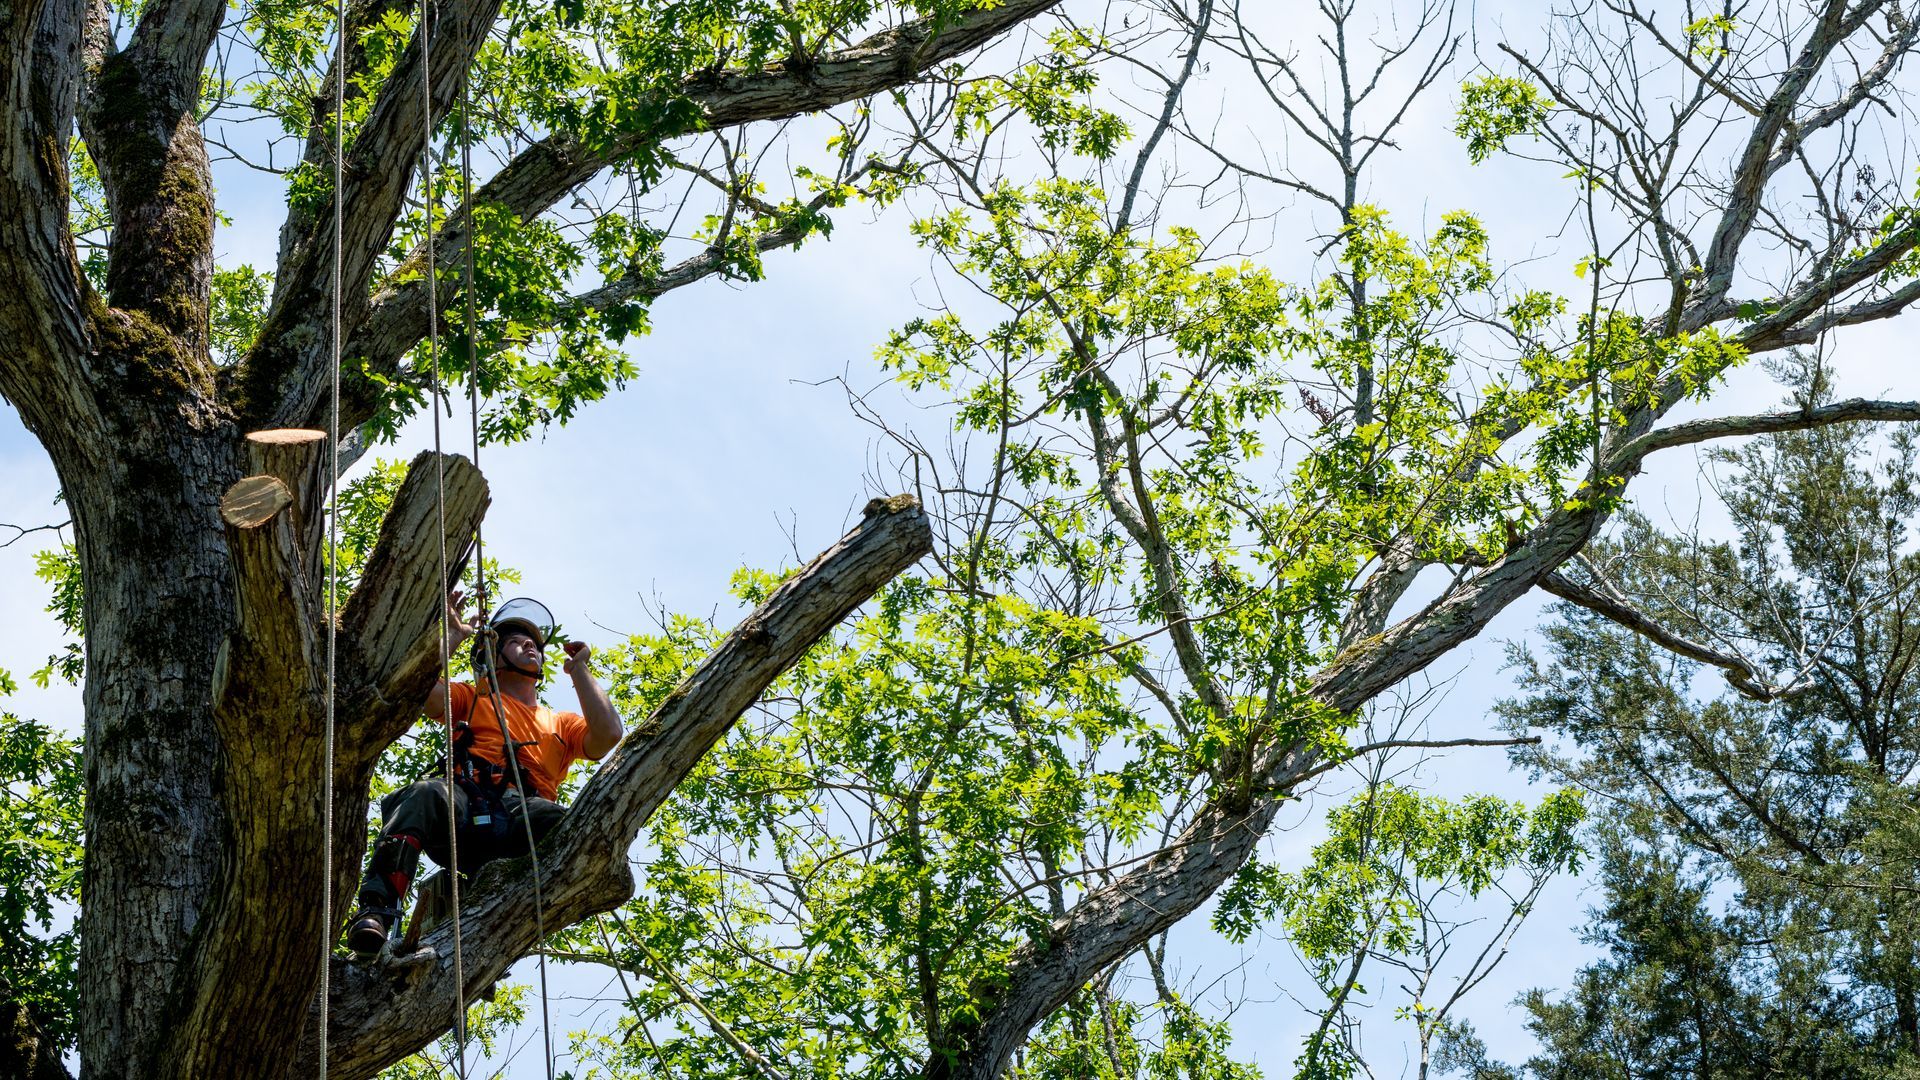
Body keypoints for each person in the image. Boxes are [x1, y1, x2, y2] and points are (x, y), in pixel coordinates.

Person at [345, 592, 623, 957]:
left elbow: (608, 734)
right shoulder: (473, 698)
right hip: (467, 807)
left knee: (561, 821)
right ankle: (377, 910)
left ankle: (495, 913)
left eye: (533, 644)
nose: (529, 646)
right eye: (516, 642)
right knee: (424, 794)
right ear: (494, 655)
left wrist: (580, 671)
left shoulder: (560, 723)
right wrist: (453, 638)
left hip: (525, 815)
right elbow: (420, 689)